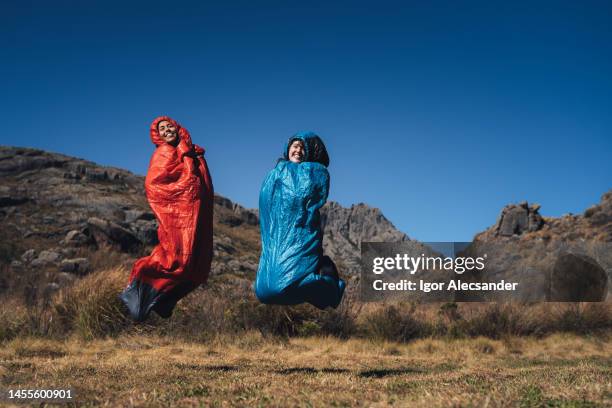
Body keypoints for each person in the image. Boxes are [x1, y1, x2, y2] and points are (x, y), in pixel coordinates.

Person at [120, 116, 214, 321]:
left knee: (198, 264)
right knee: (176, 257)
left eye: (169, 126)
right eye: (161, 129)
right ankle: (139, 287)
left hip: (196, 215)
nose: (166, 130)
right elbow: (154, 184)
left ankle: (165, 300)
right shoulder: (163, 153)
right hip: (176, 215)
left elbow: (203, 185)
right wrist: (184, 189)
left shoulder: (194, 153)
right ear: (157, 135)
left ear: (178, 128)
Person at [254, 131, 345, 309]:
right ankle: (327, 280)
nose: (298, 150)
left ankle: (330, 285)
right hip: (275, 242)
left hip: (298, 240)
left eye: (303, 148)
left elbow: (310, 189)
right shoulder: (275, 174)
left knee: (279, 287)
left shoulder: (311, 172)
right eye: (295, 146)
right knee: (264, 291)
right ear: (287, 149)